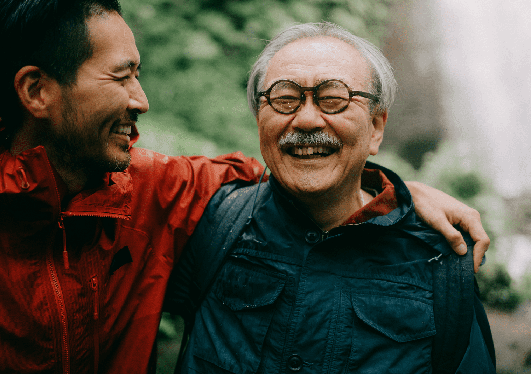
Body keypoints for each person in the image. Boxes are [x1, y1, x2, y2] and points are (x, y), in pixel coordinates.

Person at [0, 0, 487, 374]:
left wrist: (392, 189)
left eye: (338, 101)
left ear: (377, 122)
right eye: (122, 77)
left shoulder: (153, 196)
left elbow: (290, 170)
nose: (143, 99)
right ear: (35, 91)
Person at [166, 23, 495, 373]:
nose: (307, 120)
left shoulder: (439, 261)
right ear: (259, 120)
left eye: (334, 99)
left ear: (376, 128)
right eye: (285, 99)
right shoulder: (209, 224)